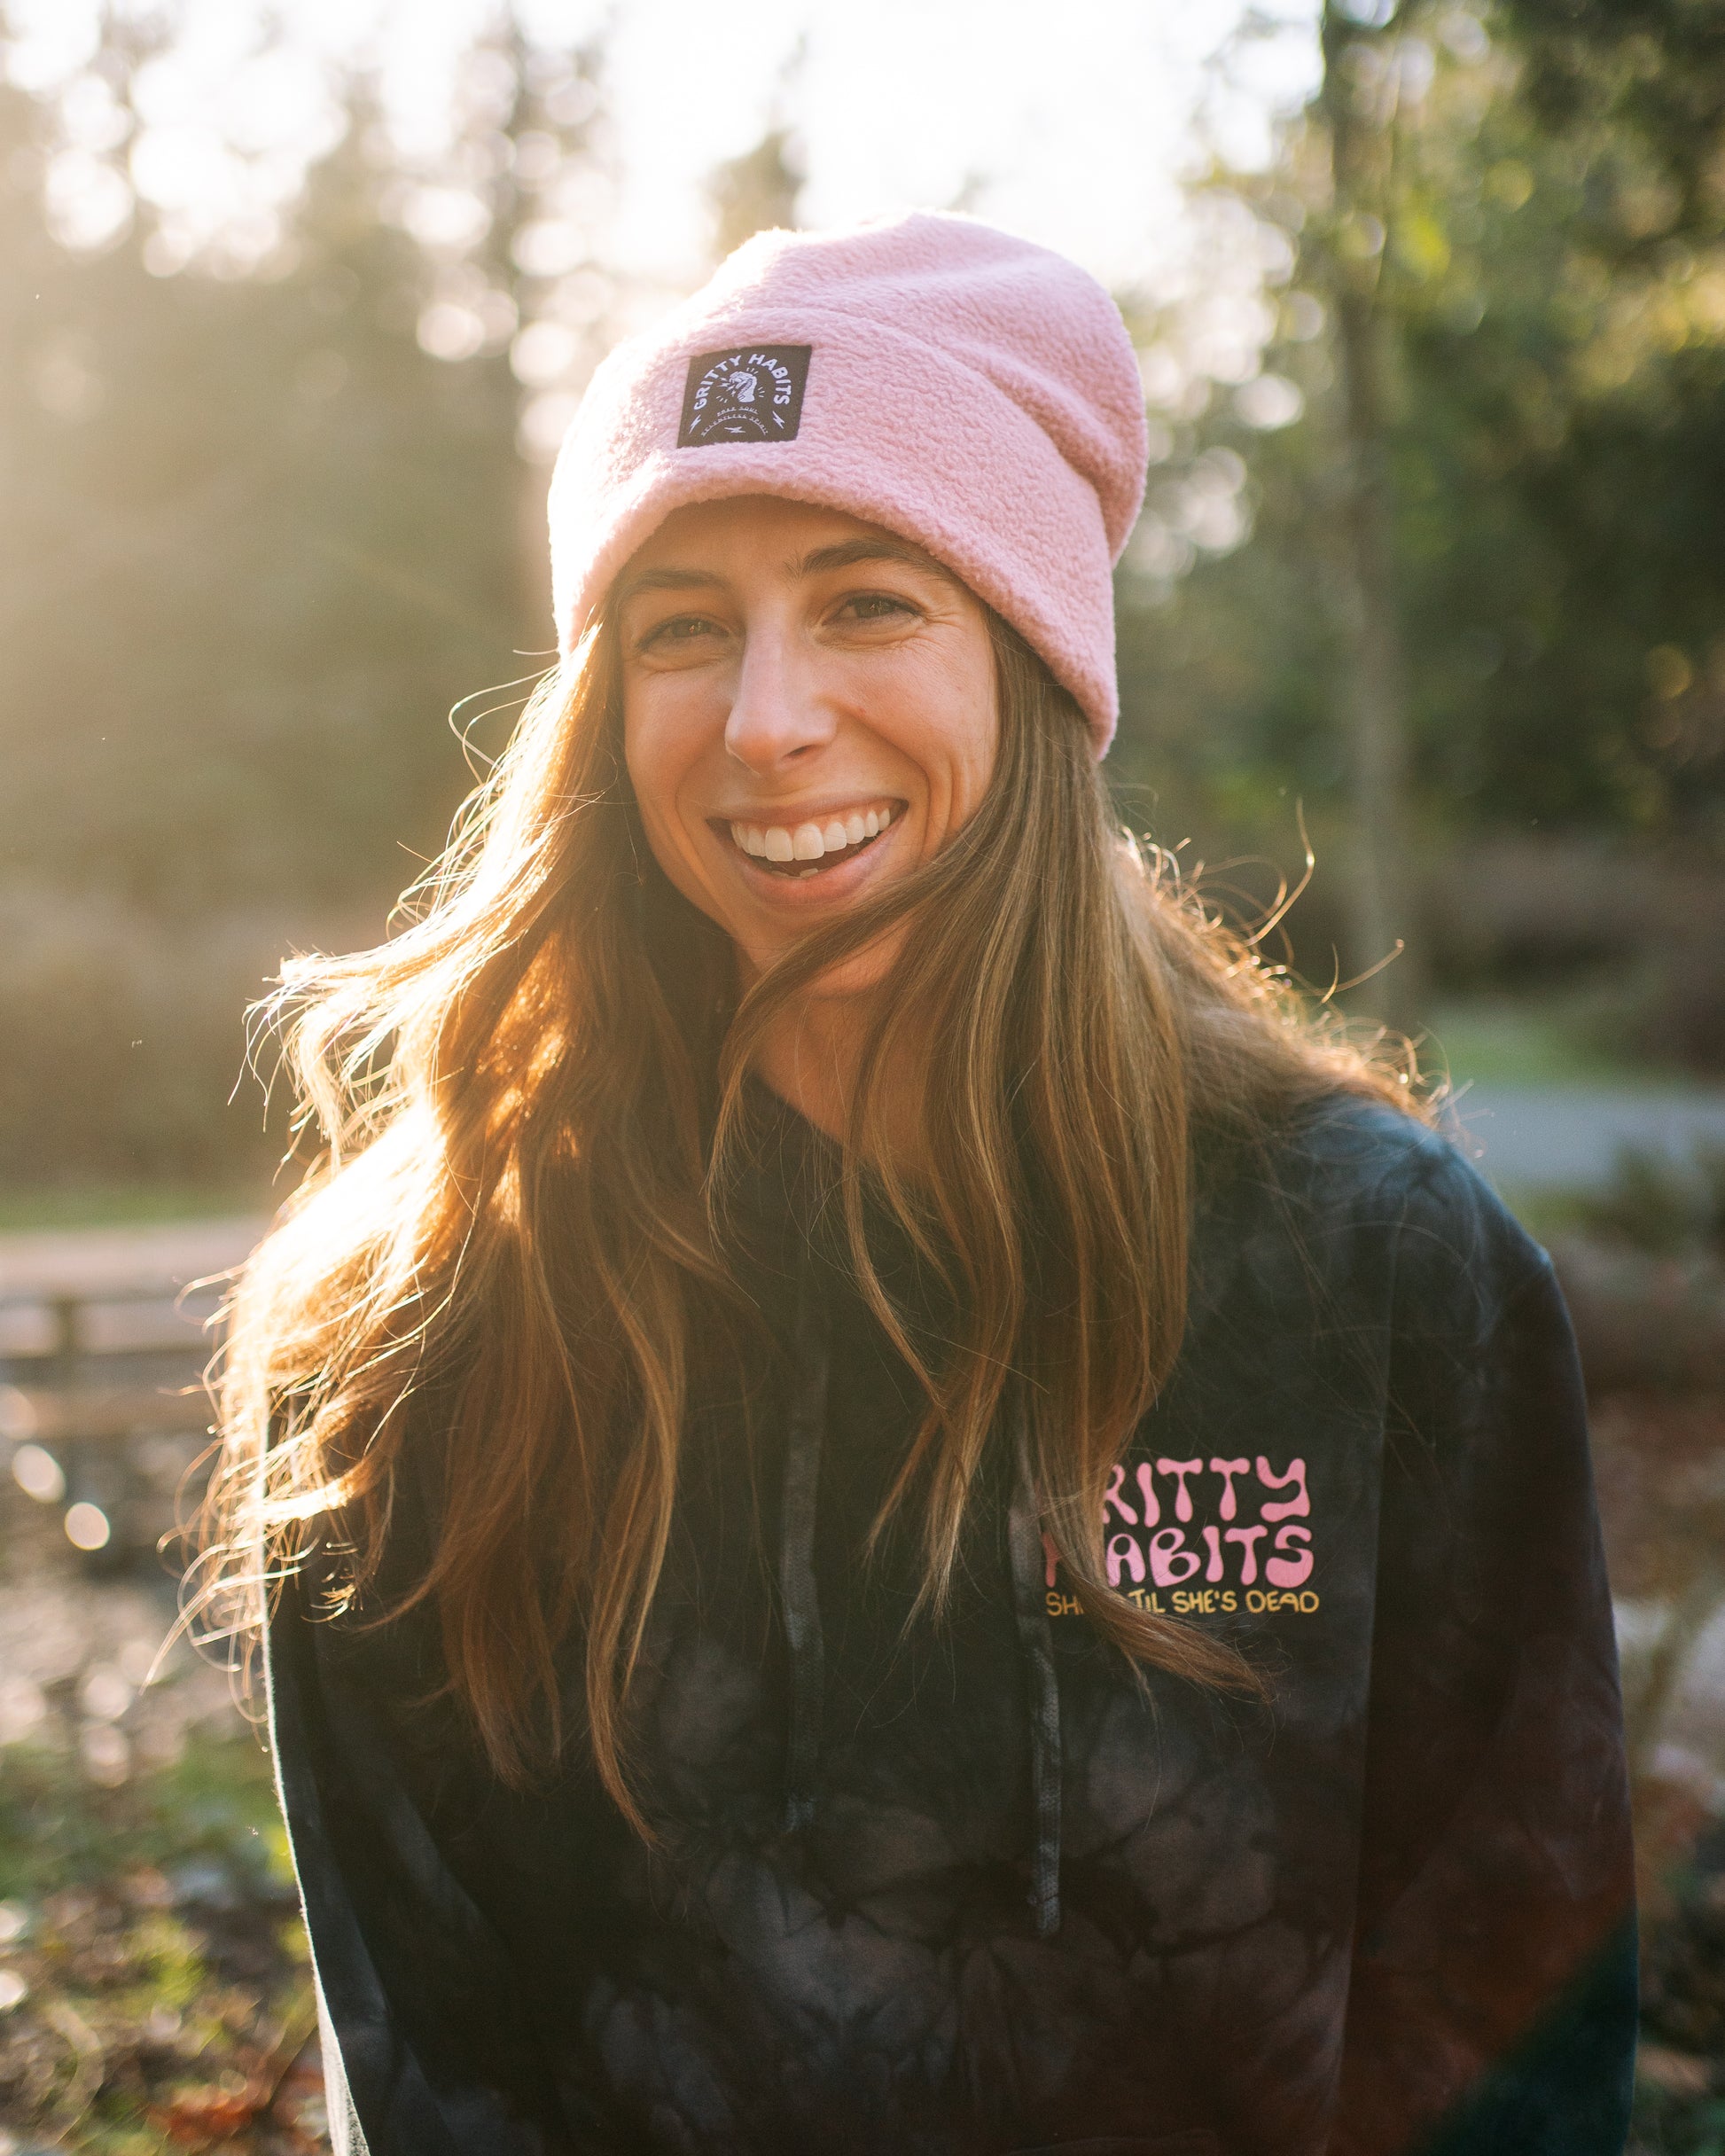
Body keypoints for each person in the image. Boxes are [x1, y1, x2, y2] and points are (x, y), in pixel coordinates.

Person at [205, 213, 1636, 2156]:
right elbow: (432, 2058)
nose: (764, 718)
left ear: (1035, 660)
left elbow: (1510, 2028)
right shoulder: (422, 1323)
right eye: (681, 628)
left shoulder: (1374, 1267)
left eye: (869, 600)